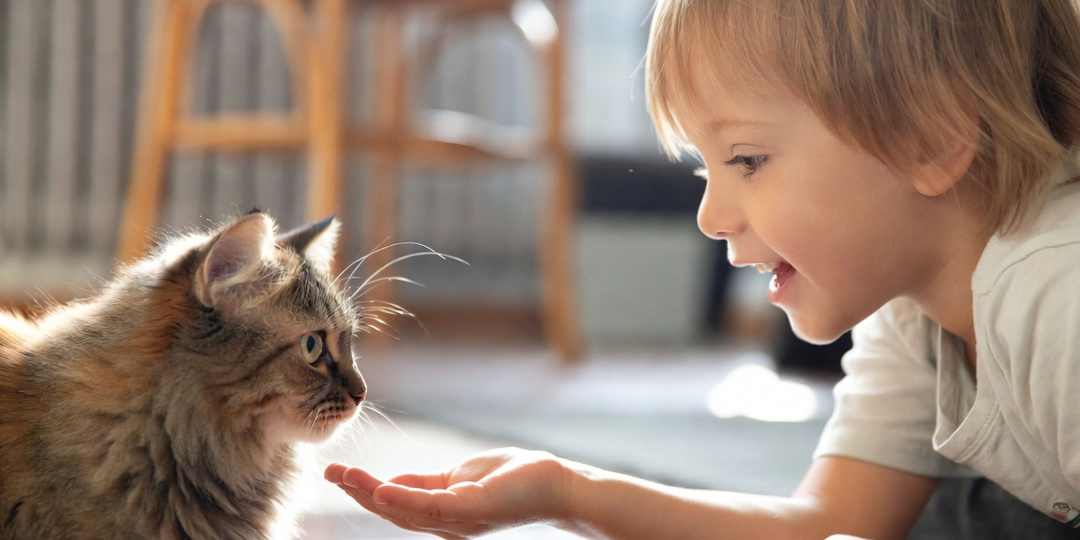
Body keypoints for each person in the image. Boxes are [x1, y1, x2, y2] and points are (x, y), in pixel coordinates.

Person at [324, 0, 1080, 538]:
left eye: (747, 160)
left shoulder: (1056, 293)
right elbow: (828, 524)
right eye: (706, 171)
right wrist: (569, 494)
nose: (710, 216)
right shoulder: (915, 305)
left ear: (933, 137)